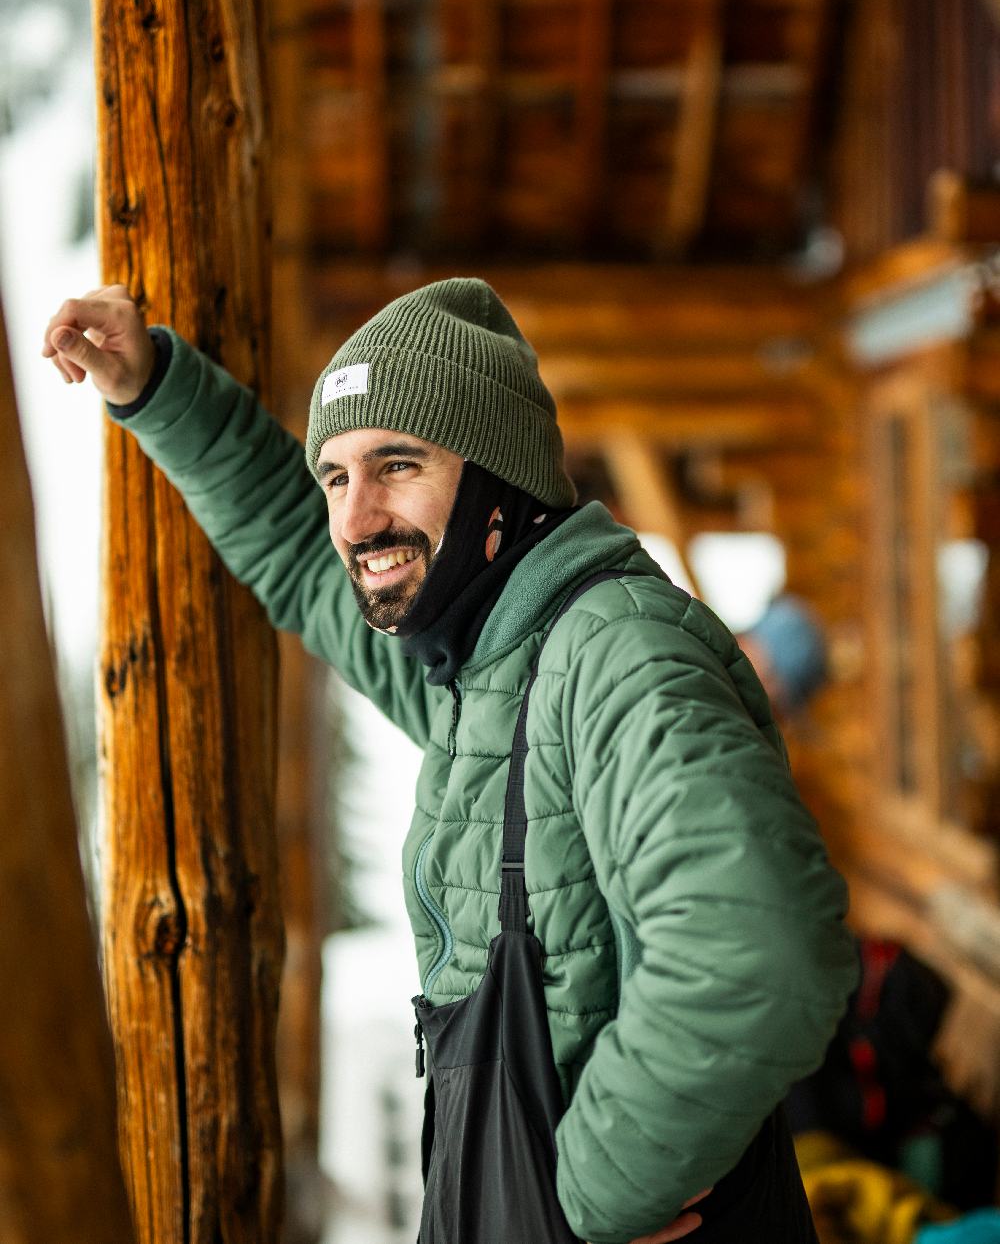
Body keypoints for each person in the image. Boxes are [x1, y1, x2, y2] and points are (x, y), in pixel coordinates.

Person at [43, 279, 858, 1244]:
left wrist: (595, 1194)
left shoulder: (617, 653)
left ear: (500, 479)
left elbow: (756, 950)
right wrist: (155, 392)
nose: (357, 517)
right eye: (337, 476)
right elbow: (311, 561)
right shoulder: (478, 666)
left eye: (397, 465)